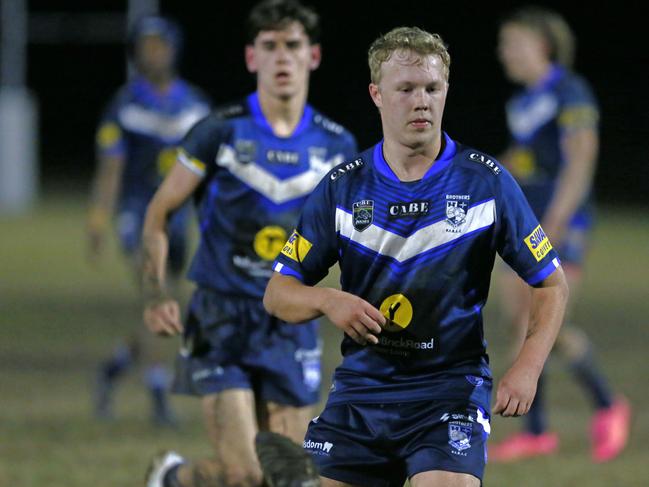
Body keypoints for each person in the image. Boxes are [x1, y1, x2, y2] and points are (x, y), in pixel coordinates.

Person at [264, 26, 569, 487]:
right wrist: (329, 300)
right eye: (405, 89)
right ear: (377, 95)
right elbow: (277, 293)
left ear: (446, 91)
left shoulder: (485, 183)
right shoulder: (343, 187)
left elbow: (550, 282)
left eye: (432, 87)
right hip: (361, 393)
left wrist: (527, 367)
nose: (421, 101)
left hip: (449, 391)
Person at [141, 1, 357, 486]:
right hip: (223, 316)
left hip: (290, 320)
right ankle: (172, 477)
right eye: (270, 46)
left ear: (314, 56)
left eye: (293, 46)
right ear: (251, 58)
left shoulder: (337, 144)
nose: (283, 57)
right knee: (245, 475)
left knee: (292, 476)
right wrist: (157, 295)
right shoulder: (219, 132)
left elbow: (351, 235)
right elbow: (158, 214)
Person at [488, 6, 630, 463]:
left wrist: (554, 226)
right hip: (530, 223)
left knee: (547, 321)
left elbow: (579, 163)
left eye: (512, 43)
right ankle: (537, 431)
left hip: (560, 226)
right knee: (525, 321)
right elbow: (527, 160)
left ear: (541, 47)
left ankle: (608, 405)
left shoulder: (570, 92)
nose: (503, 52)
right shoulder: (523, 102)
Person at [87, 14, 210, 424]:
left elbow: (211, 170)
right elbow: (111, 167)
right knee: (156, 296)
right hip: (138, 216)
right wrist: (98, 218)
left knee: (169, 303)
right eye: (145, 46)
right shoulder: (125, 104)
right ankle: (159, 392)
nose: (152, 53)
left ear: (173, 50)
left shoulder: (194, 104)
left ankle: (113, 370)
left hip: (177, 219)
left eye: (159, 45)